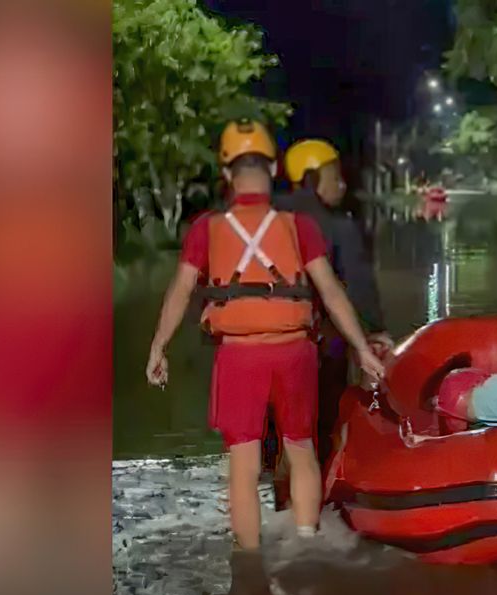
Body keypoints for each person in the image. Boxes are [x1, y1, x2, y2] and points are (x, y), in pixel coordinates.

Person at [145, 120, 385, 551]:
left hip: (239, 356)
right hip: (295, 353)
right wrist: (363, 348)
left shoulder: (206, 229)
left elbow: (180, 292)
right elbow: (330, 291)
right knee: (302, 450)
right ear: (274, 169)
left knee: (243, 462)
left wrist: (158, 347)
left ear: (225, 174)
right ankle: (309, 544)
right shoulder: (299, 226)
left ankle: (251, 561)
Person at [277, 138, 392, 468]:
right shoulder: (339, 226)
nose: (342, 185)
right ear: (312, 179)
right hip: (321, 345)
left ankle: (275, 496)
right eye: (334, 177)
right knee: (322, 425)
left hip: (262, 343)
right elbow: (359, 287)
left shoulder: (265, 219)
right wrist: (375, 333)